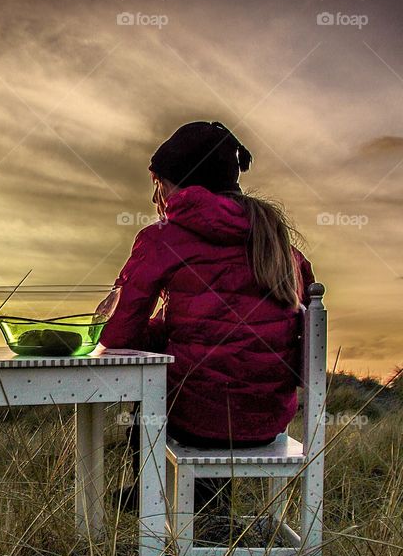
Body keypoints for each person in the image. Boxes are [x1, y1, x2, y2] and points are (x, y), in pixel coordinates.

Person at [98, 121, 315, 510]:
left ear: (176, 185)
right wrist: (174, 331)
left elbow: (117, 334)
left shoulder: (162, 238)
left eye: (158, 184)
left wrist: (160, 334)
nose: (156, 196)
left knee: (151, 407)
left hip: (196, 420)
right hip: (267, 421)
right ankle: (209, 511)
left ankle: (161, 501)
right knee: (211, 387)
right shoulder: (276, 241)